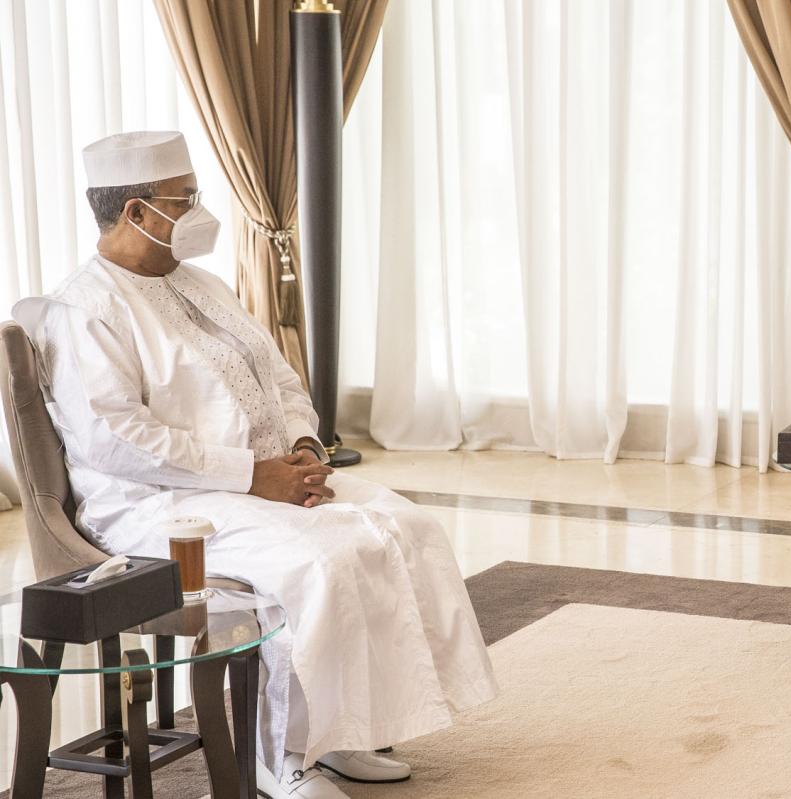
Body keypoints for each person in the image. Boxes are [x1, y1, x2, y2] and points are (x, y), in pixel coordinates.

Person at [15, 131, 498, 798]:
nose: (199, 211)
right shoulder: (84, 311)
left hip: (263, 480)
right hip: (156, 507)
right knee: (316, 562)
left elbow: (281, 378)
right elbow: (117, 442)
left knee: (407, 527)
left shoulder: (204, 284)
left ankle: (339, 732)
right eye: (185, 200)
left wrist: (304, 449)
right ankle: (279, 754)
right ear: (135, 212)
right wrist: (252, 475)